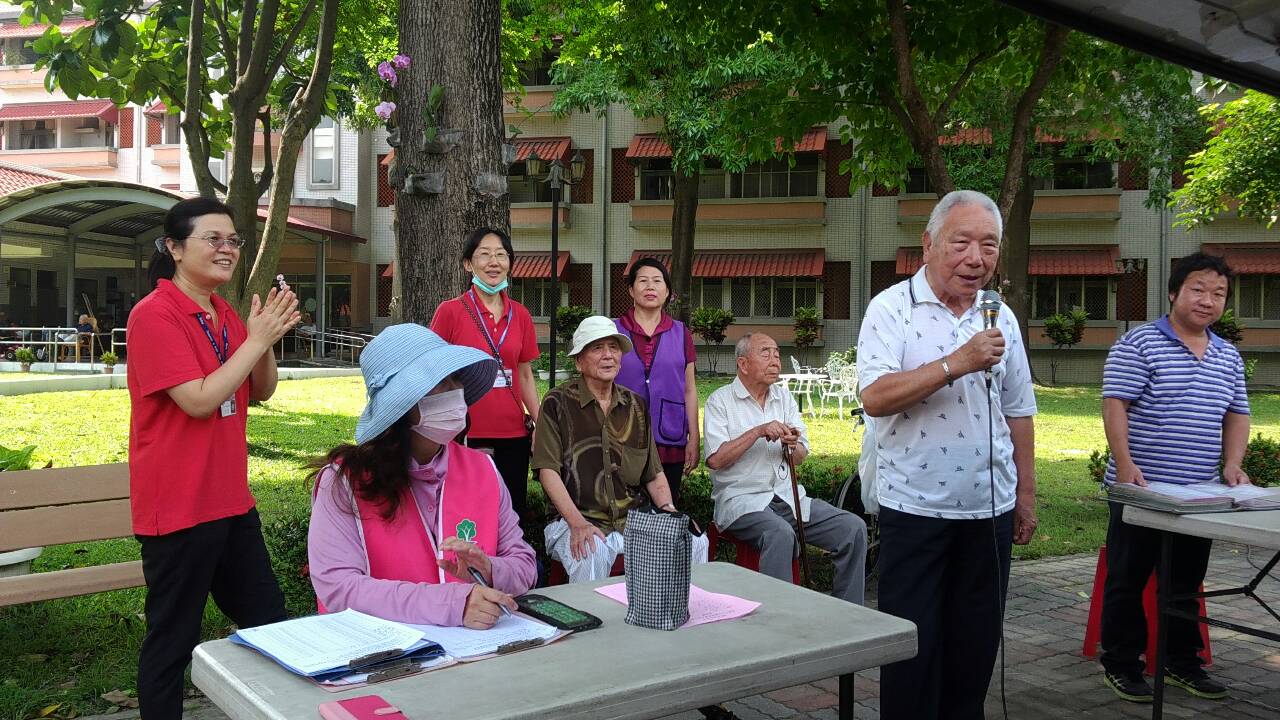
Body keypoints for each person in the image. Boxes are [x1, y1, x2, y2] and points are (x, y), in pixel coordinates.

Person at [856, 190, 1038, 720]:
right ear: (929, 244)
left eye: (989, 245)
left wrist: (1025, 495)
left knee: (975, 649)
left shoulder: (999, 314)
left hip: (989, 514)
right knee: (913, 651)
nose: (975, 258)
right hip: (915, 512)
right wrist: (957, 361)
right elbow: (875, 396)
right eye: (961, 243)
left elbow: (1019, 409)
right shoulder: (891, 308)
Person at [126, 197, 299, 719]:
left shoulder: (223, 312)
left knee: (271, 623)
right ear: (175, 249)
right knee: (172, 642)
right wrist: (258, 338)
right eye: (213, 239)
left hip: (230, 504)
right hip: (178, 509)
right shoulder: (154, 315)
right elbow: (199, 400)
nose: (227, 250)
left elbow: (261, 390)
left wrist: (262, 336)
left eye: (233, 241)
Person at [307, 323, 536, 628]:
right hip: (383, 656)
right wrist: (452, 604)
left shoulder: (483, 469)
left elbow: (524, 565)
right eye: (438, 383)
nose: (455, 391)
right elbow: (339, 587)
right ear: (400, 407)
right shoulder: (344, 482)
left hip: (477, 653)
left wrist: (490, 568)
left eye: (455, 379)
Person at [1098, 252, 1249, 703]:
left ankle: (1182, 663)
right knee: (1128, 578)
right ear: (1173, 293)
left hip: (1198, 495)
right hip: (1142, 491)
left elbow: (1237, 414)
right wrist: (1124, 464)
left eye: (1218, 293)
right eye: (1198, 289)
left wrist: (1232, 463)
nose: (1208, 300)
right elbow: (1115, 405)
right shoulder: (1139, 343)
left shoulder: (1227, 355)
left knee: (1185, 582)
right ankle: (1122, 665)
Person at [533, 316, 709, 582]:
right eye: (597, 348)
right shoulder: (557, 403)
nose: (608, 356)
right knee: (590, 553)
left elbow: (653, 473)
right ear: (579, 361)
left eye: (614, 348)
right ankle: (591, 624)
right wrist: (577, 523)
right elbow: (547, 471)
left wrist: (669, 509)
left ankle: (681, 617)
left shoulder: (635, 405)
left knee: (693, 541)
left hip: (632, 522)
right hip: (574, 519)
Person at [704, 332, 868, 604]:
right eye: (765, 353)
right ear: (743, 364)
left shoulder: (783, 398)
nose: (775, 361)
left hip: (789, 497)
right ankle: (781, 620)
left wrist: (793, 445)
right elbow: (716, 460)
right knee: (779, 533)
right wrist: (757, 431)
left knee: (853, 528)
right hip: (742, 500)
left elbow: (801, 456)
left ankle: (849, 613)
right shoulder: (720, 401)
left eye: (777, 354)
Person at [431, 227, 540, 525]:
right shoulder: (450, 311)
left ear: (509, 264)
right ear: (469, 264)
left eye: (501, 255)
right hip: (465, 433)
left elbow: (525, 374)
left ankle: (507, 571)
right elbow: (435, 372)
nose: (494, 262)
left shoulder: (521, 315)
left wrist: (541, 424)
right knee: (469, 514)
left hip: (514, 435)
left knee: (510, 514)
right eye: (484, 254)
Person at [613, 258, 700, 505]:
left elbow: (690, 389)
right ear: (631, 290)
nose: (650, 287)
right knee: (623, 511)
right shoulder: (613, 330)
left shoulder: (681, 332)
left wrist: (693, 437)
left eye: (657, 281)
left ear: (667, 291)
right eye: (642, 281)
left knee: (665, 509)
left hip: (669, 437)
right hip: (621, 435)